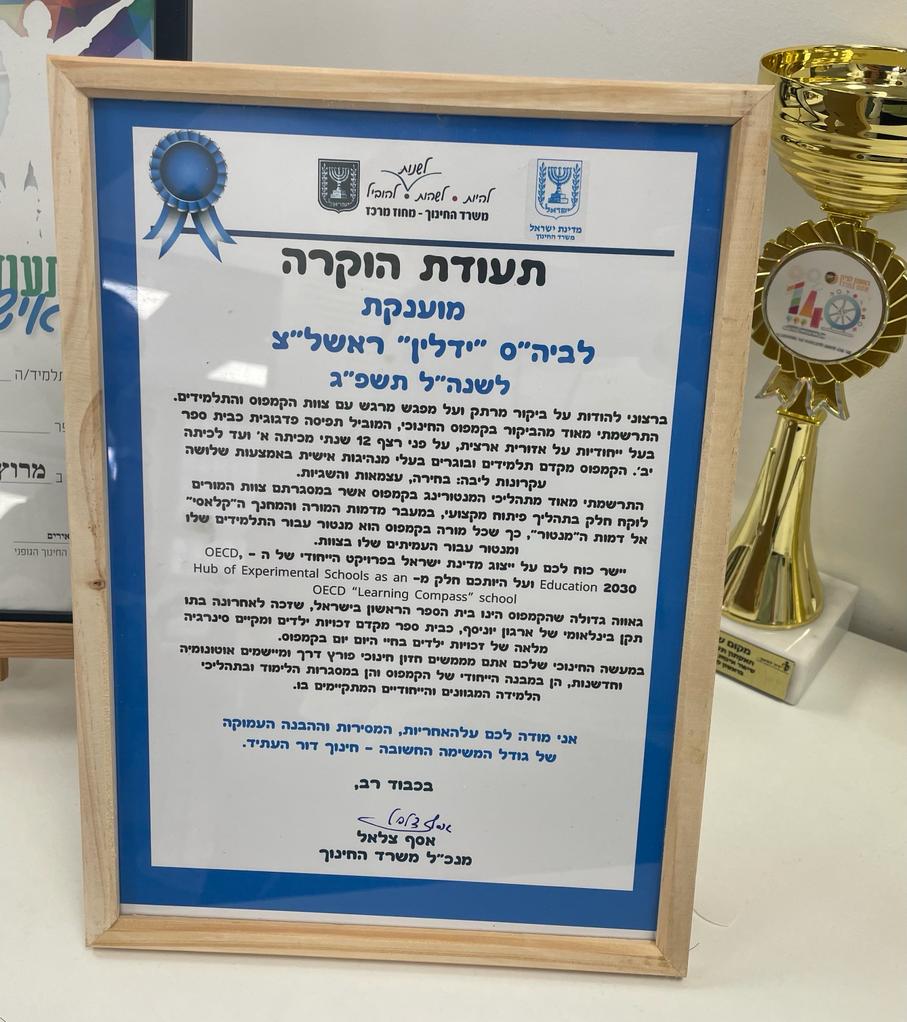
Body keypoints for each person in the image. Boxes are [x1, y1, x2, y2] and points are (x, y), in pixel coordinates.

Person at [0, 0, 135, 240]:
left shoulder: (19, 46)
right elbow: (94, 25)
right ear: (47, 24)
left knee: (30, 189)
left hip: (33, 130)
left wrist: (121, 5)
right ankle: (26, 239)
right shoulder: (55, 48)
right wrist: (121, 5)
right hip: (30, 130)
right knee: (30, 189)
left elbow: (94, 26)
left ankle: (33, 239)